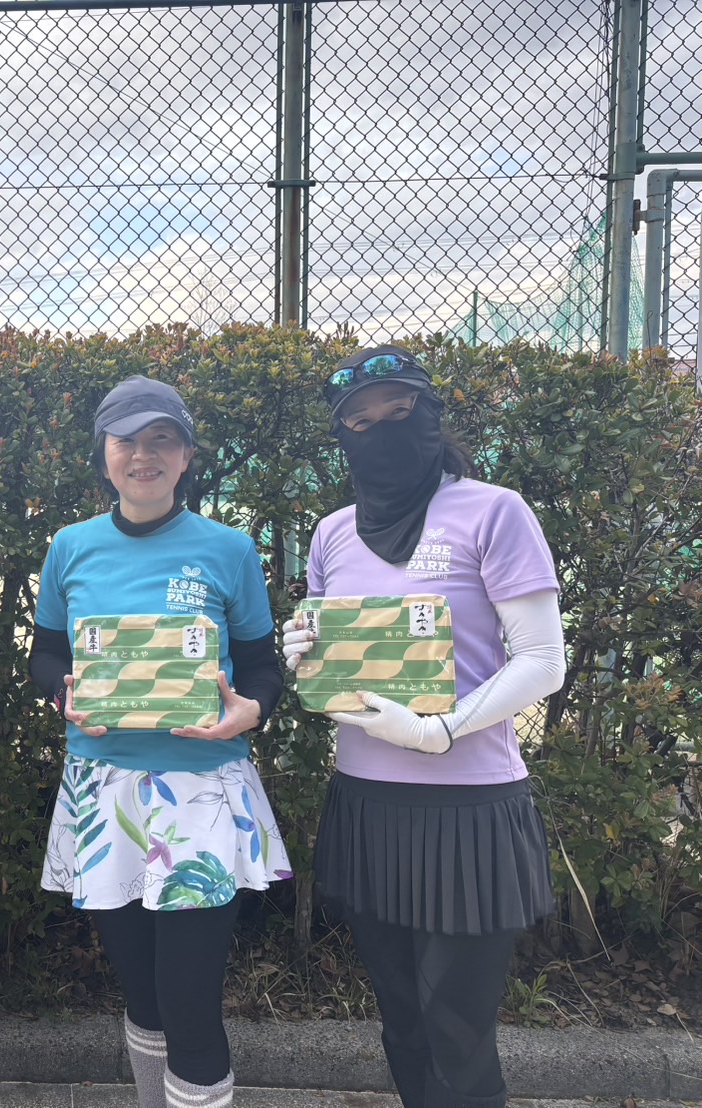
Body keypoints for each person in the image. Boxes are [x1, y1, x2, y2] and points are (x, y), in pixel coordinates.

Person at [281, 345, 566, 1108]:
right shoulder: (331, 532)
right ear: (341, 437)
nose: (381, 431)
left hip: (468, 810)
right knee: (402, 1026)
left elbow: (542, 660)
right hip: (367, 804)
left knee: (457, 1036)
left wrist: (441, 732)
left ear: (431, 415)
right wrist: (303, 653)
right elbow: (333, 660)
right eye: (359, 422)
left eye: (399, 411)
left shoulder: (493, 511)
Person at [27, 375, 291, 1108]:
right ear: (103, 456)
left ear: (186, 457)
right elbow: (46, 655)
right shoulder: (70, 547)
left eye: (161, 440)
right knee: (141, 994)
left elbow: (262, 667)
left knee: (188, 1002)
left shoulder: (228, 549)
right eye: (126, 442)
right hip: (103, 791)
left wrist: (251, 711)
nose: (143, 455)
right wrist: (64, 694)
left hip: (200, 793)